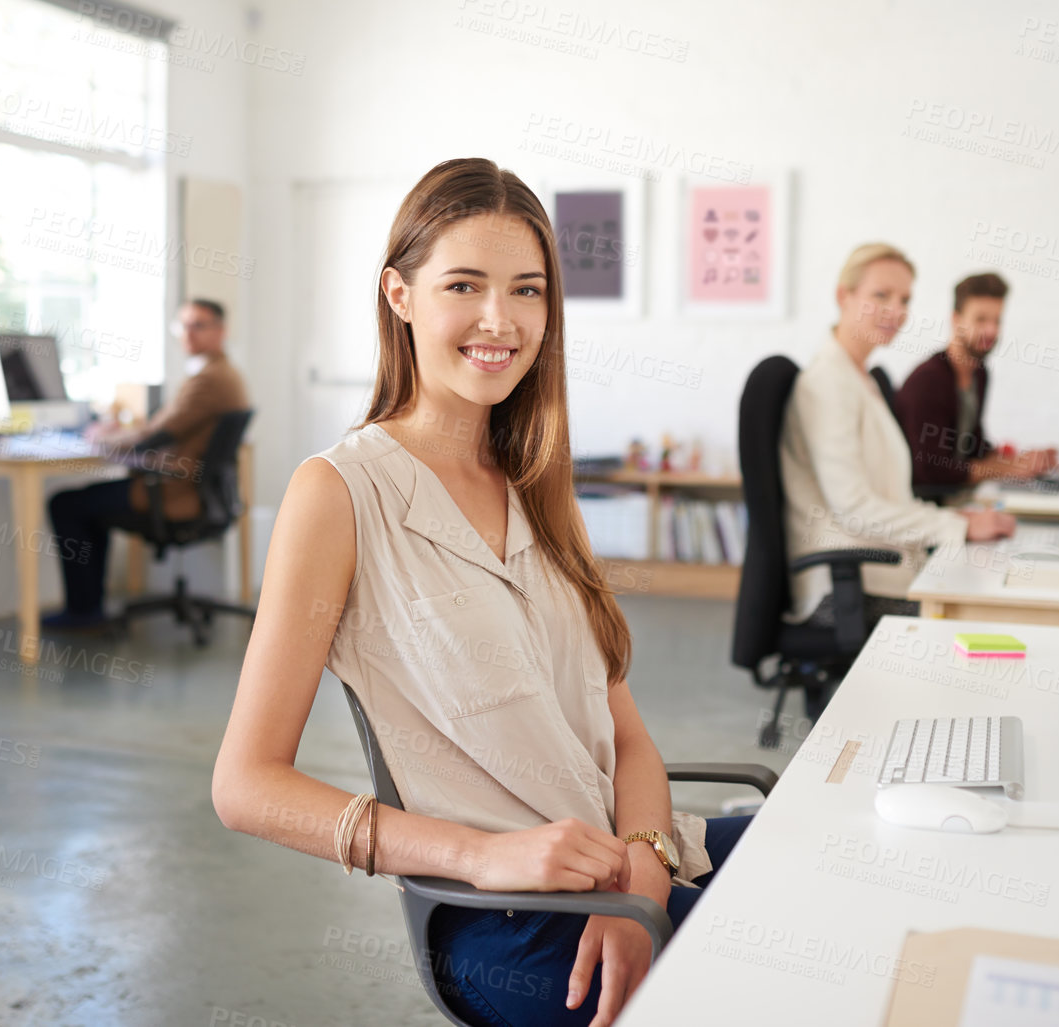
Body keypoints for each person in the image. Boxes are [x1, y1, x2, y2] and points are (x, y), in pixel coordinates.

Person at [212, 159, 747, 1027]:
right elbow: (244, 785)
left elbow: (629, 738)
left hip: (618, 868)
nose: (501, 320)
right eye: (465, 284)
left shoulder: (534, 477)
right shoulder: (340, 493)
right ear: (400, 294)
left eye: (527, 290)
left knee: (834, 870)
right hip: (505, 918)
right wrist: (483, 854)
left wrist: (644, 873)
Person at [781, 244, 1017, 633]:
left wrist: (957, 520)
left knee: (989, 591)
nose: (897, 310)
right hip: (845, 589)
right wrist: (953, 526)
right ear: (844, 296)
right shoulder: (827, 383)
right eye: (881, 295)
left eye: (905, 299)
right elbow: (855, 508)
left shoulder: (863, 379)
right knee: (985, 620)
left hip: (883, 565)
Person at [43, 299, 249, 628]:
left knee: (66, 504)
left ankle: (84, 611)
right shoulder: (223, 374)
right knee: (83, 502)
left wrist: (99, 437)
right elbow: (164, 430)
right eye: (183, 325)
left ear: (220, 332)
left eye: (199, 325)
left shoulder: (209, 380)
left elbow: (155, 435)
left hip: (174, 494)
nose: (189, 333)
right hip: (198, 493)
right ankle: (88, 607)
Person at [893, 272, 1059, 497]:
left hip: (959, 497)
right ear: (956, 319)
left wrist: (1023, 461)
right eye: (981, 319)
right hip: (927, 505)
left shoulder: (979, 374)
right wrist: (1009, 468)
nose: (991, 330)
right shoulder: (928, 381)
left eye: (997, 320)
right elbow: (931, 471)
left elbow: (974, 449)